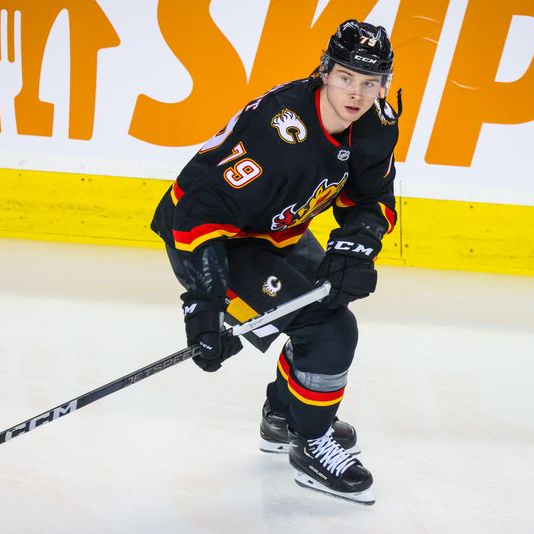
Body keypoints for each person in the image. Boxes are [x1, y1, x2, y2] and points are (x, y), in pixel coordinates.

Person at [150, 19, 400, 505]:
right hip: (214, 243)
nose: (357, 93)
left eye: (370, 83)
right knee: (331, 330)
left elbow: (371, 198)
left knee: (324, 310)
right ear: (325, 71)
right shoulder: (281, 132)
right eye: (347, 77)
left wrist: (358, 242)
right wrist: (205, 304)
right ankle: (311, 443)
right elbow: (195, 214)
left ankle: (286, 418)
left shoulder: (375, 125)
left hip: (276, 235)